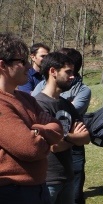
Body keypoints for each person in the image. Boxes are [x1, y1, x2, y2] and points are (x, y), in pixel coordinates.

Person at [0, 32, 63, 203]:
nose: (29, 66)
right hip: (12, 192)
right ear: (2, 66)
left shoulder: (26, 98)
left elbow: (58, 129)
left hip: (38, 188)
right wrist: (45, 131)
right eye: (22, 62)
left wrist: (37, 130)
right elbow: (30, 149)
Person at [31, 48, 92, 204]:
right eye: (68, 72)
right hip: (48, 180)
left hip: (68, 177)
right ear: (53, 71)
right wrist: (71, 136)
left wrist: (61, 135)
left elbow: (85, 138)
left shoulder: (65, 104)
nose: (73, 76)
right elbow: (55, 146)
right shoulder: (39, 104)